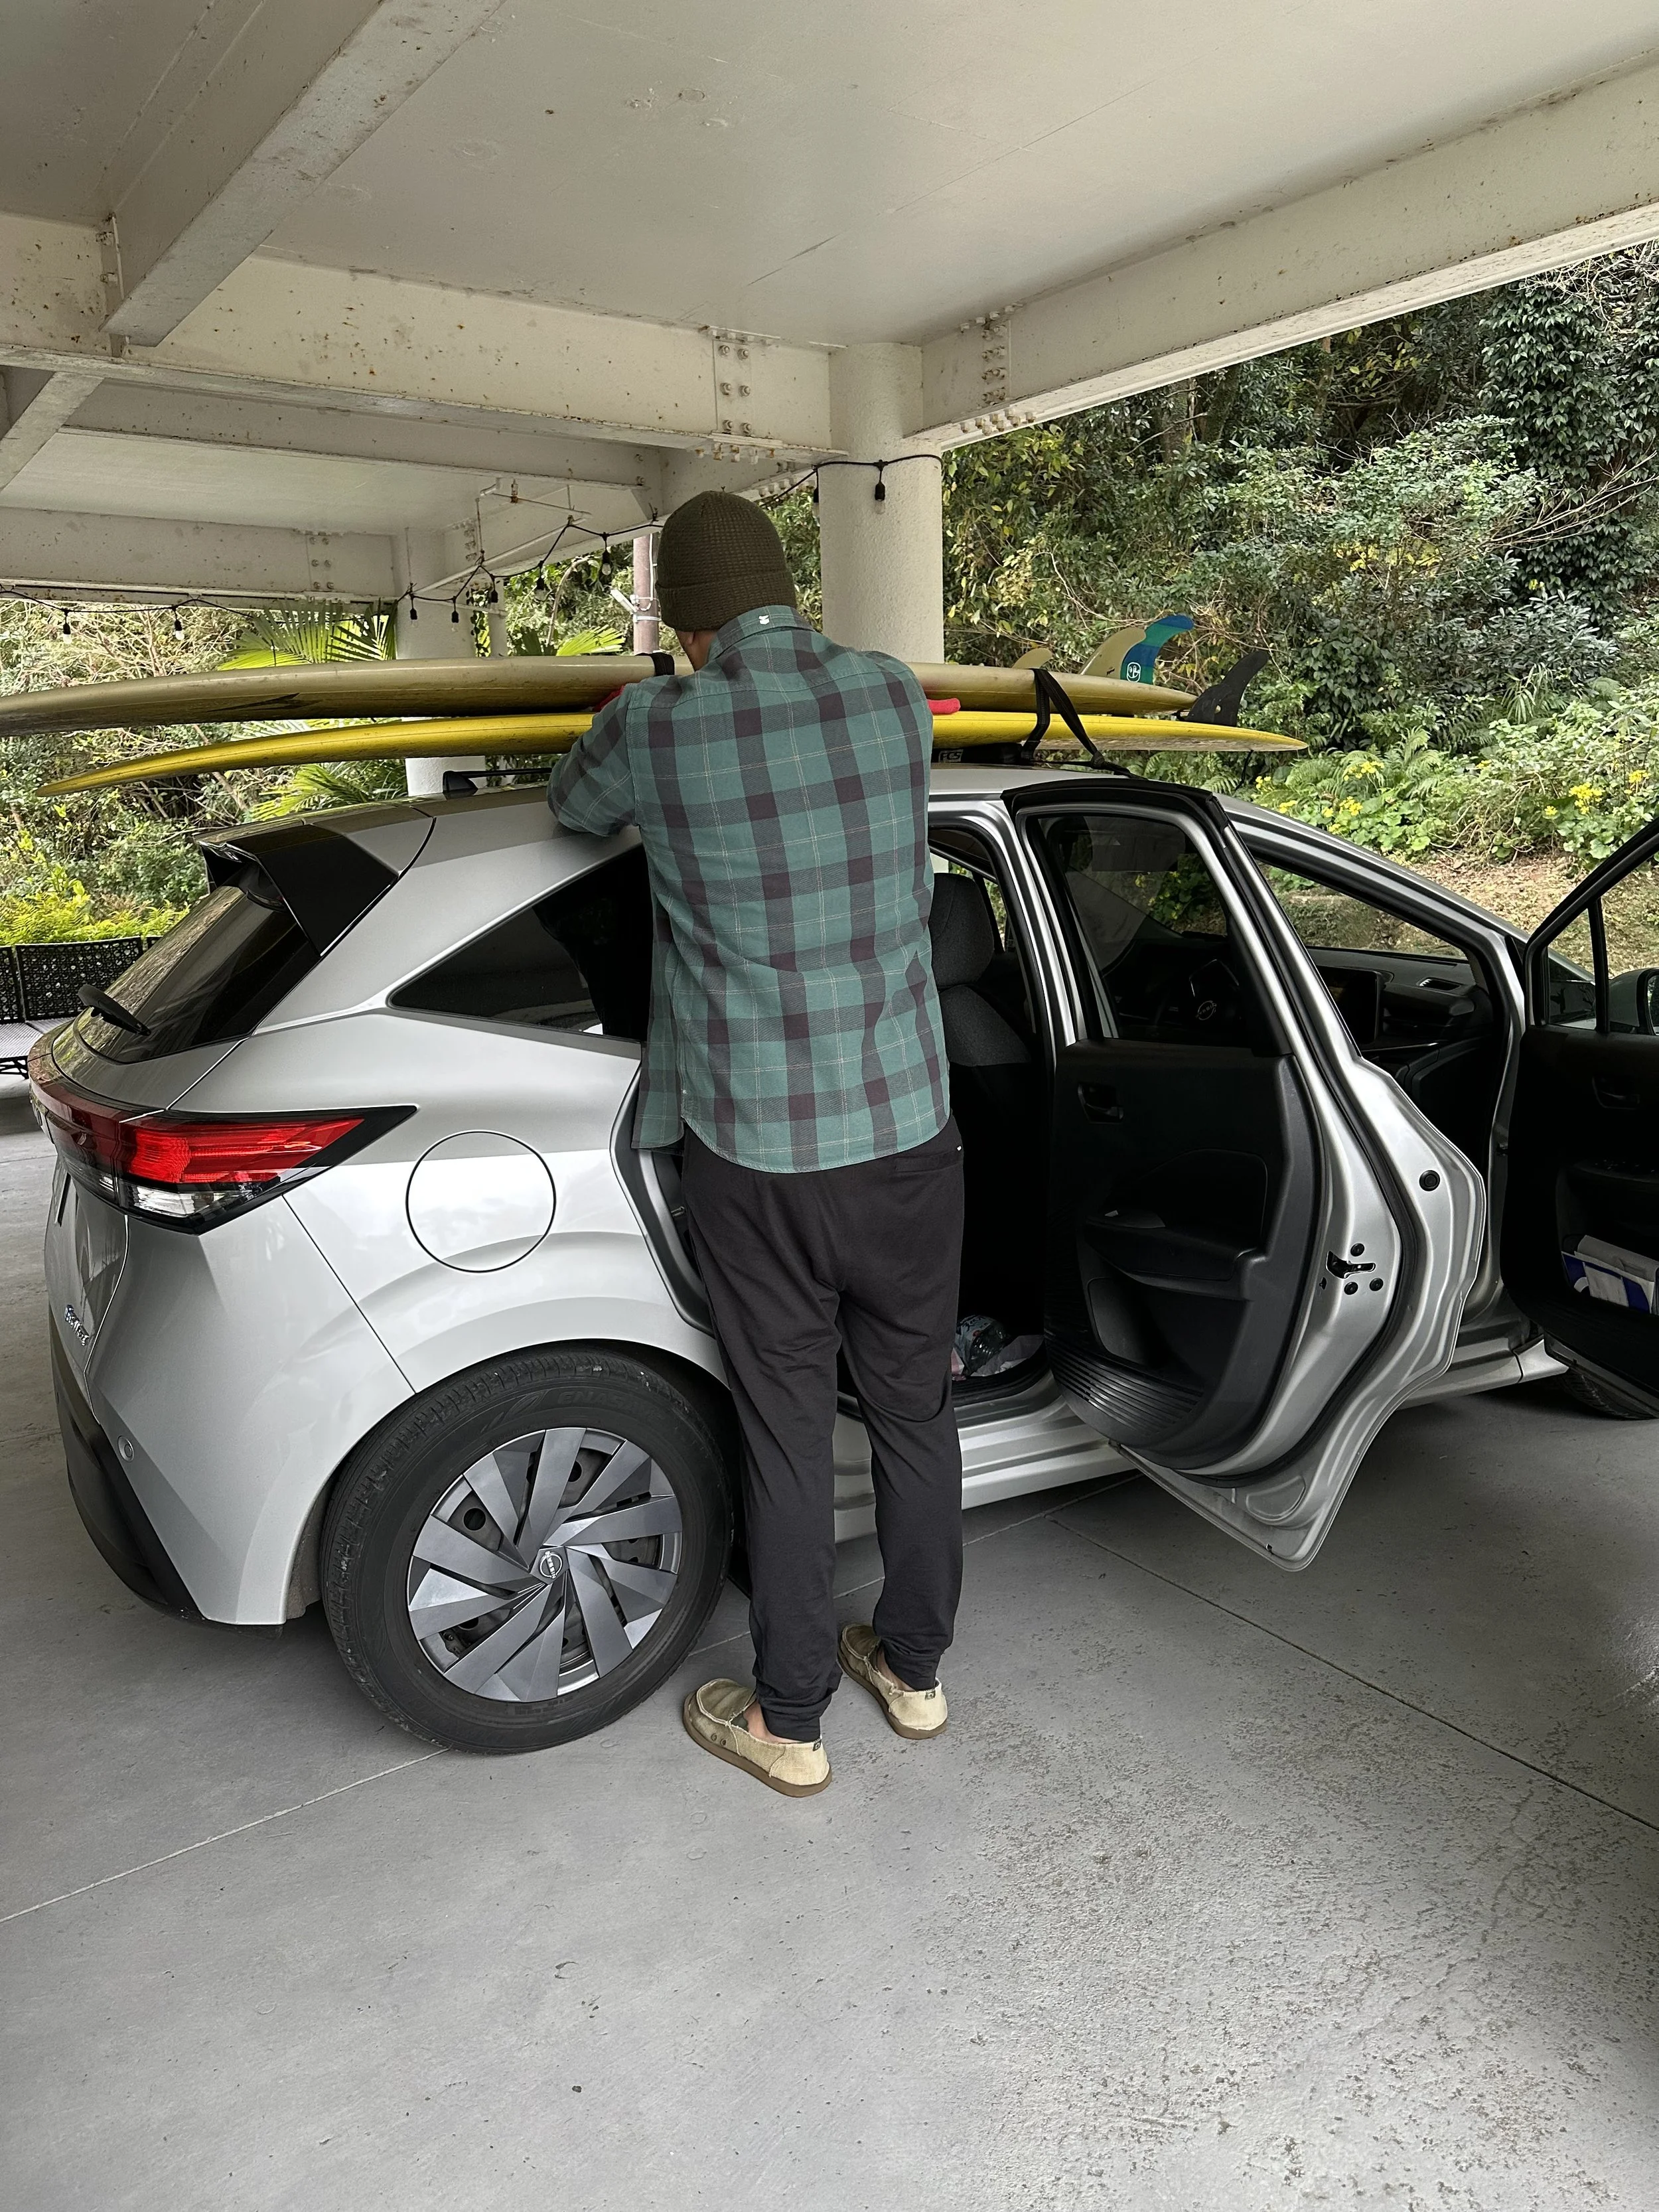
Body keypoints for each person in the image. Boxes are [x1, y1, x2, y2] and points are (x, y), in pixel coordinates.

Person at [548, 490, 964, 1797]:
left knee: (786, 1438)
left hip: (756, 1155)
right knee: (914, 1413)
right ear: (790, 589)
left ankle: (789, 1723)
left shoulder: (655, 727)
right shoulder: (892, 695)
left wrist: (647, 699)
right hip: (907, 1135)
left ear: (683, 624)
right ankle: (913, 1672)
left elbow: (572, 807)